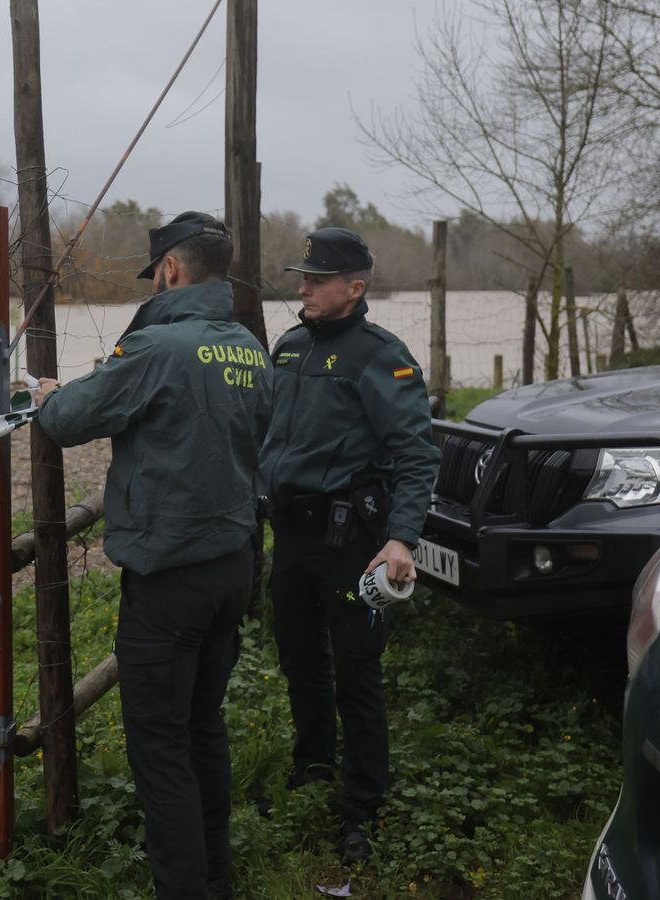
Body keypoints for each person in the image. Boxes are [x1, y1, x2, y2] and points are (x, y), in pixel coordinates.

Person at [34, 211, 273, 900]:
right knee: (203, 726)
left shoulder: (160, 348)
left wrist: (48, 394)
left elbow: (72, 419)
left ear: (169, 269)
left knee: (160, 745)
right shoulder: (246, 346)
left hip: (170, 578)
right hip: (233, 564)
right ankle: (214, 879)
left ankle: (183, 890)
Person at [260, 226, 438, 863]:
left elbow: (416, 455)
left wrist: (401, 538)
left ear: (355, 287)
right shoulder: (288, 347)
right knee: (300, 661)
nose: (302, 287)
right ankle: (312, 768)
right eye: (301, 276)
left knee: (356, 671)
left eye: (315, 279)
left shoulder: (379, 356)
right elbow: (269, 440)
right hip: (292, 538)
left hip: (351, 543)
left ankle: (361, 806)